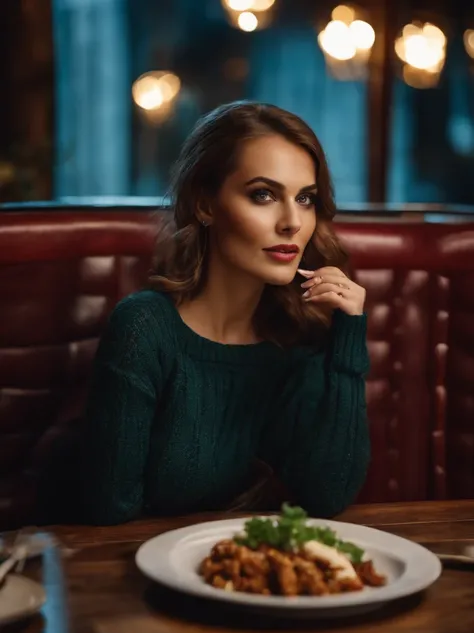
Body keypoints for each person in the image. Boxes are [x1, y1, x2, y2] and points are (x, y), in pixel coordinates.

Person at [78, 101, 370, 525]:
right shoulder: (145, 328)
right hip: (141, 576)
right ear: (205, 204)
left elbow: (327, 496)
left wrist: (347, 340)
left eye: (305, 198)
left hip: (247, 578)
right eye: (263, 195)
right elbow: (107, 513)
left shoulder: (299, 332)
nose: (291, 222)